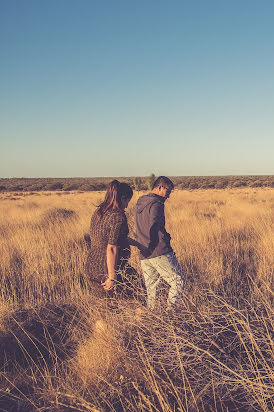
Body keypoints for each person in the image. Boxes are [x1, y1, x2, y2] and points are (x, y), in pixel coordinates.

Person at [85, 180, 142, 299]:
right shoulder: (117, 216)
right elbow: (111, 247)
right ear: (122, 198)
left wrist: (138, 244)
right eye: (127, 201)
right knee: (138, 294)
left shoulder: (99, 212)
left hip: (92, 264)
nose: (127, 205)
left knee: (105, 306)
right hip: (111, 266)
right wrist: (112, 276)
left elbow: (114, 238)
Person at [135, 176, 184, 311]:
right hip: (159, 250)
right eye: (168, 191)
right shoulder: (157, 204)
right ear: (160, 187)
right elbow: (154, 224)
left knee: (152, 290)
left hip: (143, 252)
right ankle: (170, 314)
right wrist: (159, 241)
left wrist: (145, 246)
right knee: (177, 282)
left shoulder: (140, 202)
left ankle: (152, 318)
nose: (168, 196)